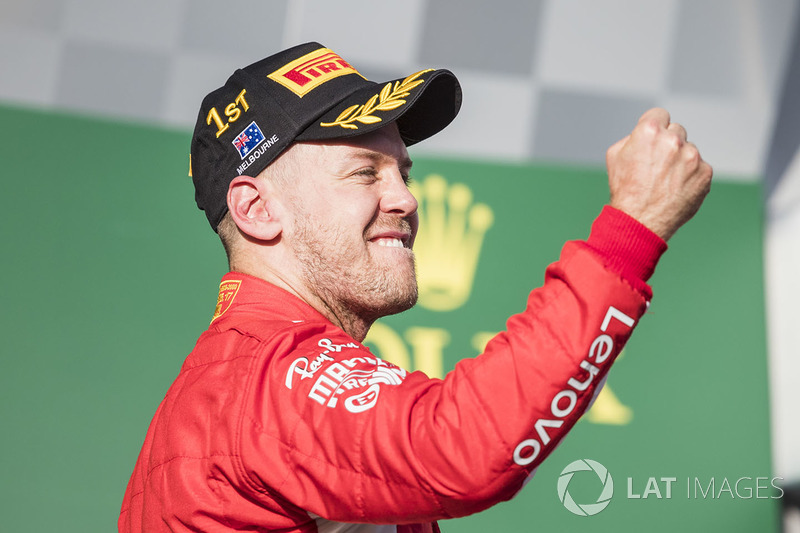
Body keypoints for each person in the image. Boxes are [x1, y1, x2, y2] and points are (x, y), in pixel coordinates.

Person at [119, 42, 712, 532]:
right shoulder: (263, 375)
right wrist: (632, 228)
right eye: (363, 172)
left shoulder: (249, 374)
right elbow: (462, 450)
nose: (405, 198)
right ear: (256, 210)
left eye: (402, 171)